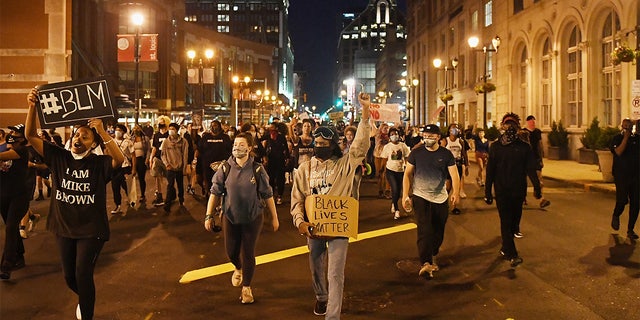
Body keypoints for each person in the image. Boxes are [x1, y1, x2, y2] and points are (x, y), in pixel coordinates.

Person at [25, 88, 125, 319]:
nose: (79, 138)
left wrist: (102, 131)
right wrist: (32, 106)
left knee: (82, 273)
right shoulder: (59, 157)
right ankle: (86, 298)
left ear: (92, 144)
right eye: (77, 135)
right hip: (63, 228)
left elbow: (120, 160)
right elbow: (31, 136)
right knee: (69, 276)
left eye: (85, 136)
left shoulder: (99, 163)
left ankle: (87, 312)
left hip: (91, 230)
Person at [290, 92, 371, 319]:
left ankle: (332, 316)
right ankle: (321, 297)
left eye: (324, 144)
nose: (319, 147)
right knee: (316, 268)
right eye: (317, 144)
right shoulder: (304, 169)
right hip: (313, 228)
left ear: (333, 146)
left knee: (336, 274)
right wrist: (300, 222)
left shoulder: (345, 165)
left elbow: (361, 144)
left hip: (339, 229)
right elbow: (296, 200)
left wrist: (365, 110)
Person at [204, 132, 279, 304]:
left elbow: (267, 195)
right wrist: (208, 215)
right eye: (235, 144)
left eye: (241, 144)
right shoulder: (225, 167)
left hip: (253, 217)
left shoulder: (257, 169)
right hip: (230, 216)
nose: (237, 147)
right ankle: (238, 268)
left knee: (248, 253)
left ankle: (247, 288)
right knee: (231, 251)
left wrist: (274, 217)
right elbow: (215, 192)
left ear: (250, 148)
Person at [402, 124, 459, 279]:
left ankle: (433, 251)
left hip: (440, 198)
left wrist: (456, 192)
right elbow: (407, 174)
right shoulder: (416, 153)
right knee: (424, 229)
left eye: (431, 136)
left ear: (438, 138)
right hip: (420, 197)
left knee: (438, 230)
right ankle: (426, 262)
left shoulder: (446, 154)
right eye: (425, 135)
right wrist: (405, 195)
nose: (428, 138)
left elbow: (454, 175)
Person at [484, 113, 530, 268]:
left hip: (518, 191)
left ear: (517, 127)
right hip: (502, 191)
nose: (509, 128)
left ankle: (505, 247)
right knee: (505, 221)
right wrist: (488, 192)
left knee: (514, 223)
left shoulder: (524, 147)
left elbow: (529, 169)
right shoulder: (496, 147)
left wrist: (537, 189)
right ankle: (512, 254)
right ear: (502, 127)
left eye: (513, 125)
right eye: (507, 125)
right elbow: (490, 170)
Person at [0, 124, 32, 280]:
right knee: (10, 228)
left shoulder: (21, 150)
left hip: (19, 197)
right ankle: (19, 256)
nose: (11, 134)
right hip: (3, 195)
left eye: (14, 132)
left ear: (22, 137)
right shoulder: (5, 149)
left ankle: (6, 265)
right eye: (10, 131)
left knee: (12, 227)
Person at [609, 118, 640, 239]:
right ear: (621, 126)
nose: (627, 129)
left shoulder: (636, 139)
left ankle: (630, 229)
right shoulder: (617, 138)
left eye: (629, 126)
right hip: (621, 175)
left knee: (636, 203)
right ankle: (616, 215)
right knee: (622, 201)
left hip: (636, 175)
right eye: (625, 126)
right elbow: (619, 152)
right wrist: (626, 137)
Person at [380, 127, 411, 220]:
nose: (394, 136)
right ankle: (397, 210)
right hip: (390, 170)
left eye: (396, 134)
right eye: (392, 134)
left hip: (401, 171)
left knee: (398, 190)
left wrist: (408, 168)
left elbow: (407, 157)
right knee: (395, 188)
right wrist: (381, 169)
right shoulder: (387, 147)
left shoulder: (403, 146)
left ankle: (394, 202)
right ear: (389, 136)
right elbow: (384, 158)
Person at [196, 120, 232, 197]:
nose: (213, 127)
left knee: (219, 182)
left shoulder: (225, 138)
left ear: (219, 126)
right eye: (212, 125)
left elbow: (230, 151)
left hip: (221, 165)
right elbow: (199, 150)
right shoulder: (205, 137)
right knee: (207, 182)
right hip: (207, 165)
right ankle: (208, 194)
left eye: (215, 125)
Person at [523, 115, 551, 210]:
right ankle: (523, 197)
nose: (533, 123)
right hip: (525, 160)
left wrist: (541, 158)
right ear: (527, 122)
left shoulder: (537, 132)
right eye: (531, 122)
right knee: (523, 181)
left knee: (539, 181)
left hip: (536, 159)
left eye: (534, 122)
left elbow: (540, 145)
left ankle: (541, 199)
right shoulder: (523, 132)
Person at [160, 123, 189, 213]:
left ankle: (181, 199)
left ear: (177, 130)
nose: (171, 130)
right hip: (170, 168)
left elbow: (185, 155)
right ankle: (167, 204)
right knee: (170, 185)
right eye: (170, 129)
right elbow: (163, 155)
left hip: (179, 168)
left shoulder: (183, 141)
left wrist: (184, 168)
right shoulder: (165, 142)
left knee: (180, 185)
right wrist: (166, 164)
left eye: (173, 129)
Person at [442, 123, 469, 214]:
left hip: (458, 165)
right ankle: (443, 204)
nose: (455, 130)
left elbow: (464, 153)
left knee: (456, 186)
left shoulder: (460, 141)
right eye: (453, 129)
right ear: (449, 130)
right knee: (448, 187)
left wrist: (466, 164)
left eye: (456, 129)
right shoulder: (445, 141)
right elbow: (440, 153)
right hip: (448, 166)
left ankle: (454, 207)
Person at [110, 124, 135, 214]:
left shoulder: (128, 142)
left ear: (123, 132)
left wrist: (133, 168)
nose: (117, 132)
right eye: (116, 130)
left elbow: (133, 155)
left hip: (125, 167)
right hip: (115, 168)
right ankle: (118, 205)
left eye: (119, 130)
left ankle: (131, 199)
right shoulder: (111, 141)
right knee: (115, 187)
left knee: (127, 186)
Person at [264, 122, 290, 205]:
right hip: (271, 160)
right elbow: (260, 142)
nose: (271, 129)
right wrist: (264, 156)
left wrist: (287, 158)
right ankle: (271, 195)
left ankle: (279, 195)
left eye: (272, 127)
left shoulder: (281, 137)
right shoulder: (268, 136)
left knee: (280, 179)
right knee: (270, 179)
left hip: (280, 160)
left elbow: (285, 147)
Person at [149, 116, 171, 206]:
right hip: (158, 158)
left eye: (162, 122)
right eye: (159, 122)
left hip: (168, 159)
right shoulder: (157, 135)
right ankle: (159, 195)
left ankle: (170, 194)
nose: (160, 124)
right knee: (157, 176)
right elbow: (154, 147)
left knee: (169, 178)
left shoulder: (169, 135)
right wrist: (151, 158)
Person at [131, 125, 150, 205]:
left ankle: (142, 194)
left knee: (141, 178)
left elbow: (148, 149)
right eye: (134, 129)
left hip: (141, 160)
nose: (136, 130)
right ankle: (131, 195)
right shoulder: (131, 139)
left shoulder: (145, 139)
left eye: (137, 128)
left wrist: (147, 159)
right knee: (132, 177)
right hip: (133, 160)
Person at [371, 122, 390, 198]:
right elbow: (372, 124)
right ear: (381, 129)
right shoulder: (377, 135)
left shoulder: (390, 136)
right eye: (384, 128)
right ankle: (380, 190)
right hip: (378, 156)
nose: (386, 129)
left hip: (386, 156)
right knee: (379, 173)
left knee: (387, 173)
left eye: (387, 128)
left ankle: (387, 190)